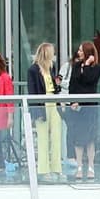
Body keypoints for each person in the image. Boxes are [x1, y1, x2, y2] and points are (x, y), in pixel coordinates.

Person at [26, 42, 64, 179]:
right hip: (42, 105)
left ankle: (56, 167)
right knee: (43, 138)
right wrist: (36, 110)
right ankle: (43, 169)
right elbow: (32, 91)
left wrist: (57, 85)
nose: (54, 54)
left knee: (56, 136)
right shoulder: (33, 70)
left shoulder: (51, 68)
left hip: (53, 103)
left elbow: (53, 88)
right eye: (52, 52)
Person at [67, 40, 100, 179]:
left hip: (90, 106)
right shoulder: (75, 66)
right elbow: (73, 84)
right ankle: (80, 166)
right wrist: (72, 101)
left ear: (88, 53)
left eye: (82, 51)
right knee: (78, 138)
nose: (79, 52)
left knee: (90, 138)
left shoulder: (96, 68)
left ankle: (91, 166)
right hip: (77, 107)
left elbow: (89, 81)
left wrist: (87, 65)